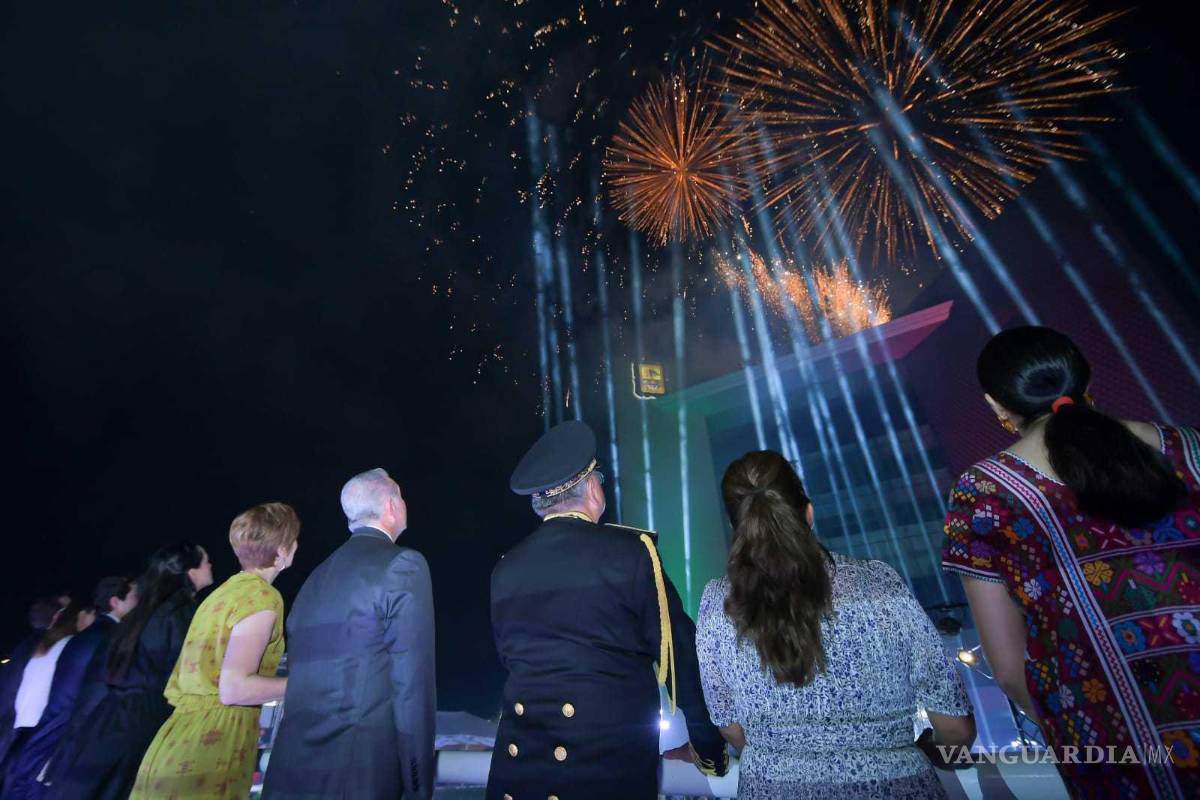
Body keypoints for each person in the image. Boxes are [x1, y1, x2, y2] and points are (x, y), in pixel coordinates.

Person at [941, 326, 1199, 799]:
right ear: (1087, 379)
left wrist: (1084, 735)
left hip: (1112, 745)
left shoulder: (984, 491)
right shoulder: (1191, 450)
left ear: (996, 405)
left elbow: (1008, 668)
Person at [696, 450, 975, 799]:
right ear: (808, 513)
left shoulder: (718, 604)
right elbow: (957, 729)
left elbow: (730, 726)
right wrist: (930, 750)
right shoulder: (880, 584)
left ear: (739, 527)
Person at [487, 420, 729, 800]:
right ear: (592, 489)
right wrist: (710, 748)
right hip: (602, 770)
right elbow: (677, 658)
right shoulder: (631, 552)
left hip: (518, 771)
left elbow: (510, 658)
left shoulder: (505, 568)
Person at [263, 468, 435, 800]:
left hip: (289, 770)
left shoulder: (316, 577)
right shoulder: (403, 565)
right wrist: (418, 784)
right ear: (390, 507)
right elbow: (412, 685)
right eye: (400, 495)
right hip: (358, 775)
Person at [132, 502, 298, 798]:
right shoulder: (263, 597)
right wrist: (306, 683)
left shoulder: (220, 595)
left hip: (177, 738)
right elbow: (234, 689)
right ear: (284, 550)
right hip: (215, 743)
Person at [47, 543, 212, 800]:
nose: (210, 566)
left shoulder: (142, 612)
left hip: (109, 722)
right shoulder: (179, 614)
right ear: (189, 572)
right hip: (143, 724)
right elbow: (180, 676)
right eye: (205, 561)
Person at [34, 579, 138, 795]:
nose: (139, 602)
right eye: (134, 597)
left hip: (58, 735)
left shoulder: (83, 637)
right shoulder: (110, 637)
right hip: (78, 739)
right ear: (115, 602)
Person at [0, 602, 94, 798]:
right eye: (91, 612)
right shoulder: (70, 645)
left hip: (18, 728)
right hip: (39, 728)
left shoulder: (42, 645)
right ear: (80, 616)